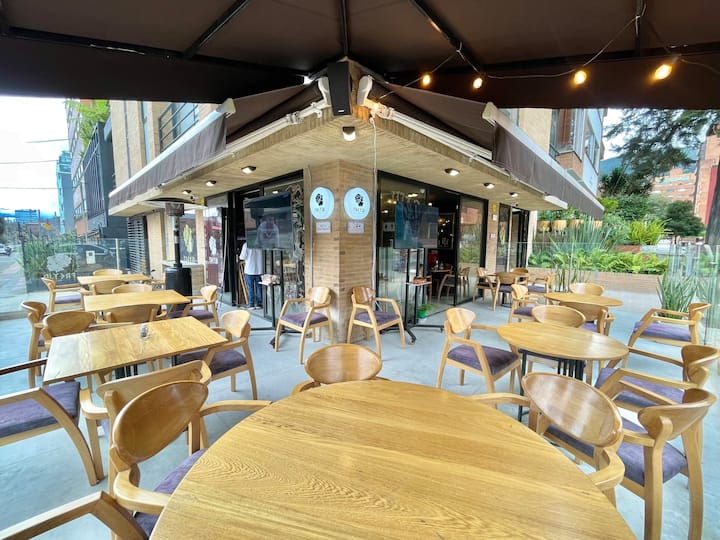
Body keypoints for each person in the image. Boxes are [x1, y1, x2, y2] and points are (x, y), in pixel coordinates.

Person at [239, 241, 263, 309]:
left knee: (250, 288)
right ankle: (259, 304)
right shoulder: (260, 243)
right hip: (259, 269)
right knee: (259, 287)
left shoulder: (246, 245)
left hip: (249, 270)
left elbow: (242, 257)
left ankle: (251, 304)